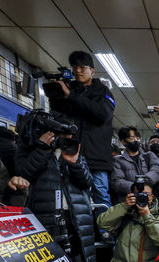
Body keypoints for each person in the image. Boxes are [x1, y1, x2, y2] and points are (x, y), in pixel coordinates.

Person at [15, 129, 96, 262]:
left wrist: (74, 163)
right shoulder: (32, 150)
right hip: (45, 216)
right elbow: (23, 175)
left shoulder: (76, 154)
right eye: (62, 134)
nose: (67, 138)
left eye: (69, 134)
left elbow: (87, 183)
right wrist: (42, 149)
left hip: (76, 217)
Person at [49, 50, 116, 210]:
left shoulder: (104, 92)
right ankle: (80, 233)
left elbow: (101, 115)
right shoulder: (70, 89)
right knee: (74, 196)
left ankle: (104, 233)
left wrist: (71, 95)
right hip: (72, 153)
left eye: (82, 67)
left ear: (91, 70)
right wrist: (57, 94)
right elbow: (58, 115)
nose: (77, 71)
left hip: (97, 157)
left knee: (101, 196)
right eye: (74, 67)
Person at [111, 126, 159, 203]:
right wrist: (134, 187)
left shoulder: (149, 156)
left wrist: (144, 182)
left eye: (137, 138)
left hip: (150, 202)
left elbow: (158, 169)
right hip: (129, 203)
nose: (136, 140)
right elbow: (116, 182)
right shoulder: (117, 160)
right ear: (124, 142)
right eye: (132, 138)